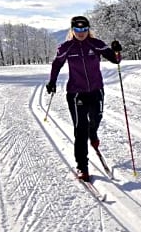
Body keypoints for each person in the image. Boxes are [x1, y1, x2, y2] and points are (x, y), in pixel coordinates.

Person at [46, 15, 122, 182]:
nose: (81, 33)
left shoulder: (96, 44)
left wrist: (117, 51)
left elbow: (115, 60)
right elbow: (56, 64)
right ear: (72, 30)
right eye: (77, 29)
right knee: (80, 129)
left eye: (84, 29)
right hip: (76, 93)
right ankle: (82, 165)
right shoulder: (66, 47)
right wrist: (52, 82)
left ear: (88, 29)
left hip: (96, 90)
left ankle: (93, 134)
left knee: (95, 119)